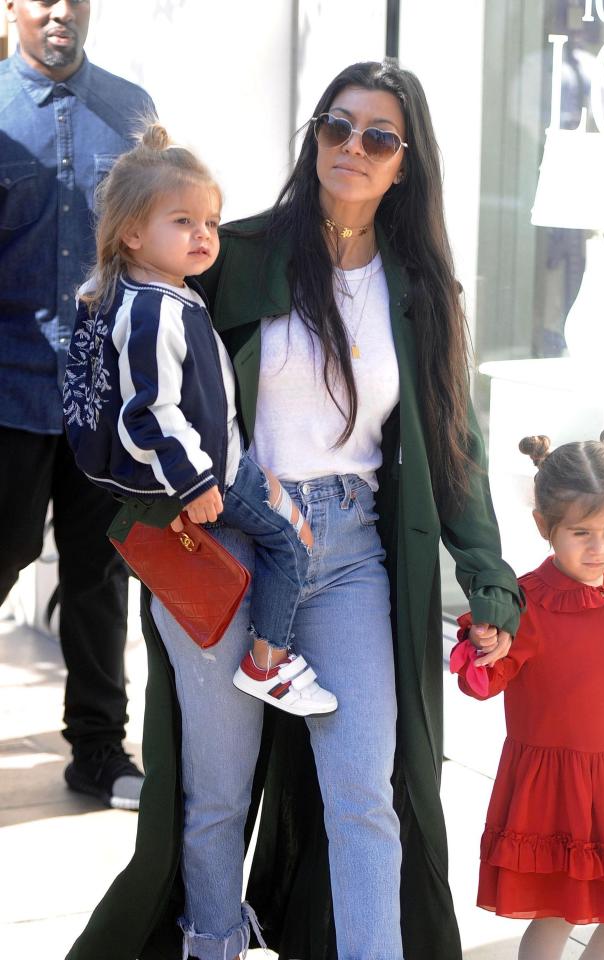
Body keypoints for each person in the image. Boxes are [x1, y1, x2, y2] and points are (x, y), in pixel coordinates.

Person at [65, 59, 523, 960]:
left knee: (367, 791)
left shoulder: (422, 292)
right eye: (335, 126)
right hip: (225, 545)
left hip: (349, 551)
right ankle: (211, 948)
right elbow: (125, 353)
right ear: (315, 137)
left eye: (378, 137)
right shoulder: (232, 253)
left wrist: (489, 582)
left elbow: (454, 445)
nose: (352, 147)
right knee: (216, 795)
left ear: (406, 163)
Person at [63, 123, 337, 717]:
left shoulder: (150, 290)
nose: (204, 235)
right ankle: (269, 664)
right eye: (183, 221)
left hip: (218, 461)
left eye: (210, 222)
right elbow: (149, 411)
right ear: (132, 233)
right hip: (200, 473)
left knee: (283, 518)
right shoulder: (154, 311)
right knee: (293, 541)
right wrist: (196, 484)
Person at [450, 429, 604, 960]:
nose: (600, 548)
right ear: (545, 526)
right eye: (582, 532)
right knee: (557, 915)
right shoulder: (527, 603)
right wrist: (486, 642)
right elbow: (483, 679)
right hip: (558, 790)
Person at [0, 0, 154, 808]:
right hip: (8, 391)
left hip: (106, 397)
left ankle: (98, 749)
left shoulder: (132, 113)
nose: (60, 11)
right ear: (14, 8)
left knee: (101, 576)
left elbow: (161, 243)